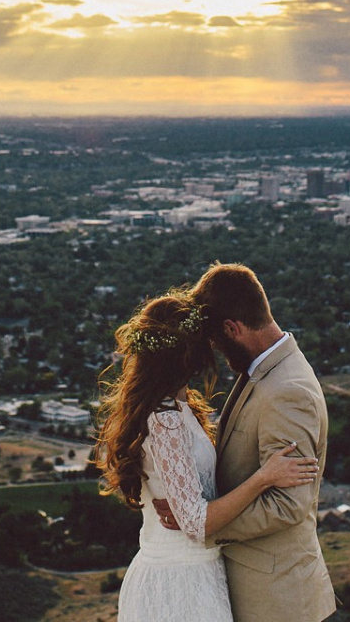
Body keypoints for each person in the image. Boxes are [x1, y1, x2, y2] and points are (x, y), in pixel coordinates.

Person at [97, 293, 319, 622]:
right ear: (188, 355)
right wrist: (264, 478)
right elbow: (196, 523)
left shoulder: (176, 410)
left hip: (195, 573)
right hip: (180, 585)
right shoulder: (165, 421)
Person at [183, 262, 337, 622]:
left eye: (218, 342)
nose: (219, 352)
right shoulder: (264, 370)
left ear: (232, 328)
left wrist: (203, 525)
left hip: (276, 599)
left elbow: (287, 505)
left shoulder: (286, 391)